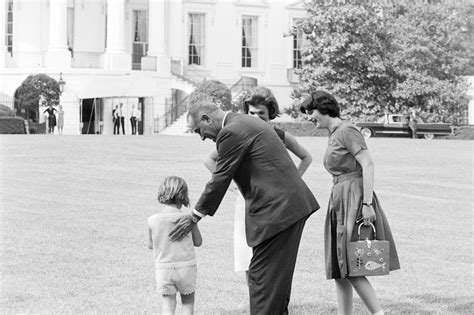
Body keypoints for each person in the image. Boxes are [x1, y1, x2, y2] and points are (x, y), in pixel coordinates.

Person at [169, 99, 320, 314]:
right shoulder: (245, 122)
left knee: (262, 281)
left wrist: (194, 216)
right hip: (288, 208)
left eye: (198, 131)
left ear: (206, 118)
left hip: (277, 212)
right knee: (274, 280)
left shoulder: (231, 131)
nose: (202, 137)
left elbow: (220, 178)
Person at [300, 91, 400, 315]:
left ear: (325, 109)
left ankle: (379, 313)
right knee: (339, 268)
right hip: (339, 199)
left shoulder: (347, 130)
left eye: (311, 111)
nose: (309, 117)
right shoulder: (333, 134)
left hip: (354, 199)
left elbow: (368, 164)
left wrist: (366, 204)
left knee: (354, 265)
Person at [203, 86, 313, 279]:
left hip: (274, 202)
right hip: (247, 200)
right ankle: (255, 295)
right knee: (245, 253)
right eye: (251, 112)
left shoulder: (279, 135)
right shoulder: (239, 133)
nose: (255, 117)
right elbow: (209, 160)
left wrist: (291, 181)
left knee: (270, 254)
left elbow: (306, 157)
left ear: (270, 113)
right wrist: (233, 186)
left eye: (261, 113)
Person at [147, 176, 202, 315]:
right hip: (186, 267)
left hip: (164, 268)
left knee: (167, 306)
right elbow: (198, 242)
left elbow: (150, 245)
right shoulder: (188, 219)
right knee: (188, 304)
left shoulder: (152, 220)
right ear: (183, 196)